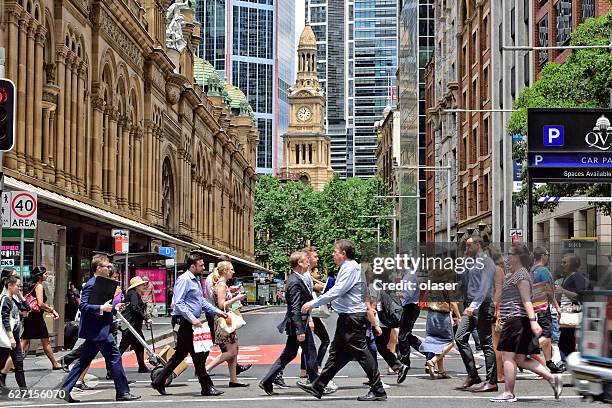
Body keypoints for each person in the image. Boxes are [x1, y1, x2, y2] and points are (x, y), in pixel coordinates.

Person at [298, 240, 387, 401]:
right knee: (337, 354)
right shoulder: (347, 267)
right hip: (347, 317)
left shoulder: (350, 268)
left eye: (335, 251)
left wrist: (312, 303)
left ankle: (378, 389)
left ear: (343, 254)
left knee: (362, 353)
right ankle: (318, 386)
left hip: (352, 317)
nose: (333, 254)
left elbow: (338, 291)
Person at [58, 254, 140, 403]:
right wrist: (102, 307)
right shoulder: (90, 284)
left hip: (98, 330)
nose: (109, 268)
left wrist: (115, 308)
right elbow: (83, 306)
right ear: (98, 268)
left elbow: (106, 305)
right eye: (107, 266)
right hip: (99, 331)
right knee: (115, 358)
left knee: (84, 361)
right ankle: (123, 392)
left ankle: (64, 390)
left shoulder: (102, 283)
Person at [491, 244, 562, 402]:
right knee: (521, 359)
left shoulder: (521, 276)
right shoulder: (516, 274)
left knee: (507, 357)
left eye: (509, 254)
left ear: (517, 256)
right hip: (517, 320)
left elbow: (526, 300)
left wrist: (532, 321)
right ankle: (552, 379)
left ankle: (508, 393)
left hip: (516, 320)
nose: (507, 256)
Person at [151, 253, 227, 396]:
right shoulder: (184, 280)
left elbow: (202, 301)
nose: (203, 267)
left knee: (180, 354)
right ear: (192, 266)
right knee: (198, 354)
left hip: (189, 322)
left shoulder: (196, 280)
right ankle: (207, 387)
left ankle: (159, 381)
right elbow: (178, 302)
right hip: (183, 322)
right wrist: (193, 319)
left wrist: (218, 312)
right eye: (201, 265)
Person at [259, 251, 319, 395]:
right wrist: (300, 330)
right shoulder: (293, 281)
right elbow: (295, 308)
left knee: (289, 354)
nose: (309, 262)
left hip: (298, 323)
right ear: (299, 263)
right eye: (306, 260)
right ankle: (316, 384)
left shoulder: (298, 278)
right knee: (310, 353)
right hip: (298, 324)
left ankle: (267, 380)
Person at [454, 236, 498, 392]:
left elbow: (485, 287)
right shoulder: (472, 261)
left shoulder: (486, 262)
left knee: (486, 344)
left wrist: (473, 306)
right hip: (470, 305)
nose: (467, 248)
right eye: (466, 246)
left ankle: (492, 381)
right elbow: (464, 281)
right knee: (459, 337)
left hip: (482, 306)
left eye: (469, 245)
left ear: (478, 245)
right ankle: (472, 375)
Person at [204, 255, 252, 377]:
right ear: (224, 270)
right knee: (230, 351)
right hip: (223, 319)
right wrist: (237, 298)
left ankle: (233, 379)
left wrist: (233, 295)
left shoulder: (223, 284)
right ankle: (206, 369)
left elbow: (225, 301)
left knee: (234, 349)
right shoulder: (220, 284)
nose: (233, 272)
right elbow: (221, 304)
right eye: (231, 269)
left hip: (226, 318)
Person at [364, 265, 409, 383]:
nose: (366, 275)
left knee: (374, 347)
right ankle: (397, 367)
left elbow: (373, 306)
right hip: (387, 321)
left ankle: (380, 373)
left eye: (368, 273)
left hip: (379, 321)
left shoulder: (373, 286)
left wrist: (373, 323)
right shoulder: (387, 284)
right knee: (380, 347)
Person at [420, 267, 461, 380]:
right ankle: (432, 361)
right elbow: (453, 303)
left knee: (436, 342)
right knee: (450, 342)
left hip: (431, 315)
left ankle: (441, 372)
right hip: (442, 316)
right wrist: (459, 317)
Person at [21, 266, 62, 370]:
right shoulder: (39, 286)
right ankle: (55, 363)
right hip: (36, 318)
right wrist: (52, 310)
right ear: (39, 276)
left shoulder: (32, 286)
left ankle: (10, 363)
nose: (47, 275)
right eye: (45, 274)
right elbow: (40, 304)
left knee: (27, 340)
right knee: (42, 340)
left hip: (32, 317)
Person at [531, 247, 563, 373]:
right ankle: (525, 352)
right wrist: (557, 306)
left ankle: (549, 363)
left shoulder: (531, 270)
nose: (548, 256)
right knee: (547, 334)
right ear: (543, 255)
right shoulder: (544, 271)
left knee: (546, 335)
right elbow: (549, 291)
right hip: (542, 308)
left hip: (532, 309)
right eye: (547, 254)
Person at [117, 276, 152, 374]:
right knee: (123, 347)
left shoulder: (133, 294)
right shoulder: (133, 294)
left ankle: (142, 366)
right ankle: (112, 367)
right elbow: (135, 308)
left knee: (138, 346)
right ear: (137, 286)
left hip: (133, 325)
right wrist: (146, 318)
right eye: (141, 285)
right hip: (131, 325)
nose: (143, 286)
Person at [556, 252, 587, 361]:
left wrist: (562, 290)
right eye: (562, 262)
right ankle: (566, 361)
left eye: (565, 262)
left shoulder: (577, 276)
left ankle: (568, 361)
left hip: (572, 314)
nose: (562, 264)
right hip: (567, 314)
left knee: (566, 341)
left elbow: (579, 295)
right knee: (564, 340)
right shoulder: (568, 277)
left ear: (572, 264)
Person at [0, 276, 27, 393]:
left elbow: (27, 308)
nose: (19, 288)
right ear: (10, 285)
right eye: (17, 286)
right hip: (6, 338)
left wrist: (20, 296)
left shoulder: (13, 299)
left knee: (19, 364)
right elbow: (5, 319)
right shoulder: (5, 299)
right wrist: (11, 338)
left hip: (13, 337)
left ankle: (24, 391)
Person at [487, 244, 507, 383]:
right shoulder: (497, 269)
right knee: (497, 343)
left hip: (491, 307)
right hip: (496, 308)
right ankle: (499, 374)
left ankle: (498, 372)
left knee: (495, 343)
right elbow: (499, 291)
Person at [397, 262, 422, 368]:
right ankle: (428, 352)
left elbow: (409, 295)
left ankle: (404, 362)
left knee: (403, 336)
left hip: (411, 308)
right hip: (408, 307)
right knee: (407, 335)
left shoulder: (410, 276)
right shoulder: (406, 276)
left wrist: (397, 294)